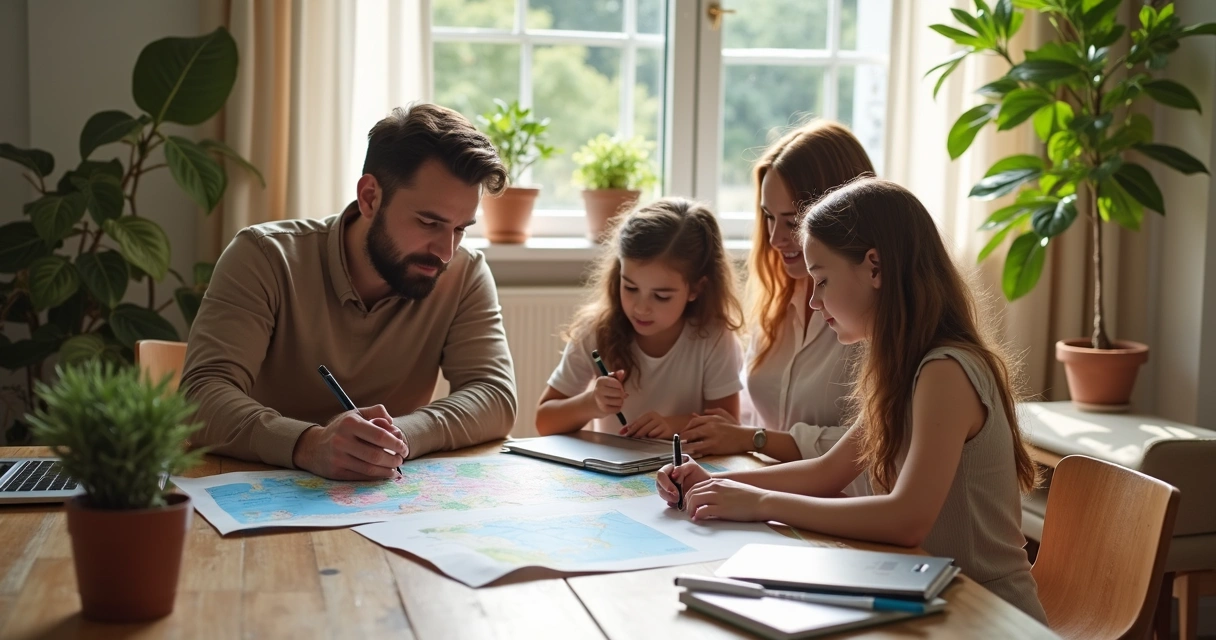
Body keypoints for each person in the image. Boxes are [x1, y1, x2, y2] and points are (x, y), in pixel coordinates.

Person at [656, 178, 1047, 622]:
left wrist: (760, 503)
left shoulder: (946, 371)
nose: (815, 301)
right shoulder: (902, 367)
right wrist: (717, 485)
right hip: (929, 594)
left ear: (874, 267)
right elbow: (826, 473)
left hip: (988, 614)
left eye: (821, 280)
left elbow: (906, 520)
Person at [182, 103, 518, 480]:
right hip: (256, 487)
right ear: (371, 196)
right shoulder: (264, 257)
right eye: (429, 222)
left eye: (460, 229)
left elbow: (494, 397)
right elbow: (200, 395)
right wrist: (308, 444)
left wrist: (395, 437)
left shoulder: (464, 272)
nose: (445, 251)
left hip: (380, 498)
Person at [681, 121, 874, 496]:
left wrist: (754, 439)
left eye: (792, 222)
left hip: (841, 507)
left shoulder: (868, 318)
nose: (774, 238)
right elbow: (763, 410)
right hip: (776, 492)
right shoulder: (777, 299)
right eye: (768, 217)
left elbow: (872, 445)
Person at [535, 198, 745, 437]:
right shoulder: (594, 330)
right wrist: (591, 403)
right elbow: (544, 421)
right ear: (619, 274)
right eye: (630, 288)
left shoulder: (714, 337)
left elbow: (728, 426)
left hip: (684, 472)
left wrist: (672, 426)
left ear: (696, 289)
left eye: (661, 296)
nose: (641, 308)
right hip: (611, 472)